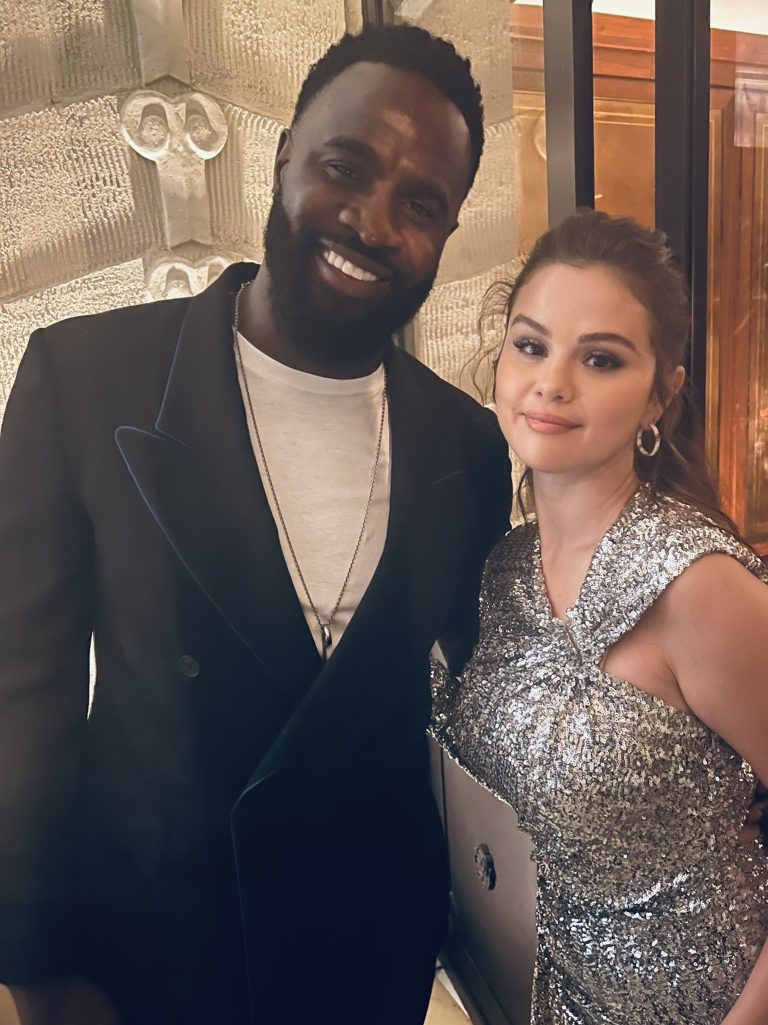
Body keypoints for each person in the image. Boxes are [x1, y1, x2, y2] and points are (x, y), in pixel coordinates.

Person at [0, 26, 513, 1025]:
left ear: (449, 231)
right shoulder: (85, 378)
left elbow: (460, 709)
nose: (372, 222)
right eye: (345, 167)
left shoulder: (468, 446)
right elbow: (22, 697)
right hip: (151, 953)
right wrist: (34, 966)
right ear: (283, 158)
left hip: (366, 955)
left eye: (421, 205)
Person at [431, 209, 768, 1024]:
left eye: (601, 358)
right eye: (531, 345)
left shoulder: (698, 585)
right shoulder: (503, 569)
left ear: (661, 395)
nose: (552, 382)